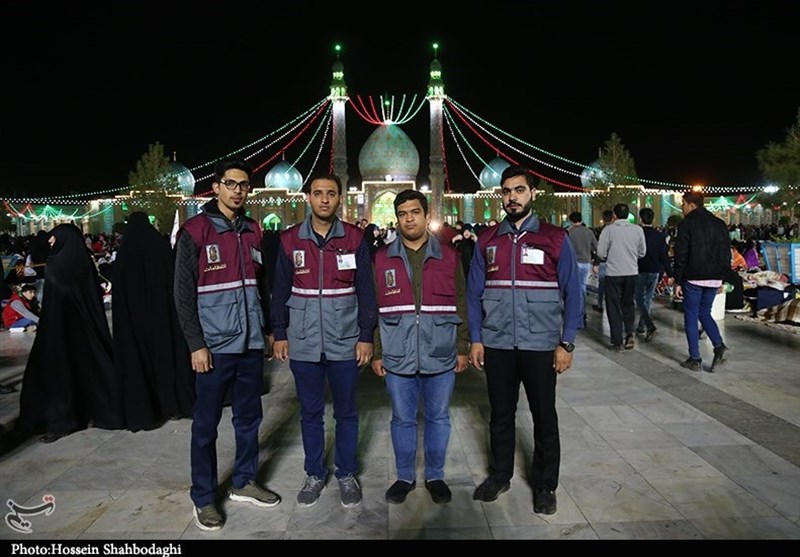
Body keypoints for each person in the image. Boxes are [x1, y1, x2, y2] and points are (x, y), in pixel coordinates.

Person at [467, 165, 582, 515]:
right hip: (498, 344)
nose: (512, 197)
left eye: (519, 190)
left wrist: (566, 342)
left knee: (544, 417)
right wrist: (476, 338)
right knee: (500, 415)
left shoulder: (554, 238)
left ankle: (545, 485)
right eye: (506, 191)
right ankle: (500, 475)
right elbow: (473, 293)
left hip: (540, 345)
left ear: (532, 193)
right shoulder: (488, 240)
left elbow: (573, 293)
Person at [174, 157, 280, 532]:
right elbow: (183, 294)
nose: (238, 191)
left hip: (250, 342)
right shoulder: (196, 231)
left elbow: (262, 285)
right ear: (216, 186)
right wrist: (196, 344)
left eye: (243, 185)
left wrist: (268, 329)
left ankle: (244, 481)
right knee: (206, 424)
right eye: (231, 184)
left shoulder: (253, 230)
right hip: (215, 346)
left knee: (249, 417)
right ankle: (204, 497)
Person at [271, 171, 377, 509]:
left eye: (330, 193)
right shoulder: (290, 240)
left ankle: (346, 473)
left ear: (339, 198)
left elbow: (366, 290)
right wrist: (280, 332)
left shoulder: (355, 238)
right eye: (318, 193)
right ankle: (314, 473)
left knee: (346, 412)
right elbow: (279, 289)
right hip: (303, 340)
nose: (324, 199)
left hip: (344, 339)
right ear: (309, 198)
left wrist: (365, 335)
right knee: (310, 412)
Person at [370, 189, 469, 505]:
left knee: (438, 417)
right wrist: (377, 351)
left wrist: (463, 345)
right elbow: (375, 307)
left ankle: (435, 476)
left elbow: (461, 301)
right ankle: (404, 477)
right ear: (396, 219)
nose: (409, 219)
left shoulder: (449, 257)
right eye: (402, 214)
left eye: (415, 212)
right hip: (397, 351)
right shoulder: (382, 258)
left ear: (427, 216)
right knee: (402, 418)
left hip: (439, 349)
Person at [17, 223, 124, 443]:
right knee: (89, 371)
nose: (50, 241)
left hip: (60, 332)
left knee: (61, 375)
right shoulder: (83, 263)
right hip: (85, 331)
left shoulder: (57, 265)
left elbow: (55, 302)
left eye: (54, 237)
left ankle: (62, 420)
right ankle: (92, 412)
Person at [113, 211, 195, 432]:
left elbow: (120, 293)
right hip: (164, 318)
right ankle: (173, 405)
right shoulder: (159, 246)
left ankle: (147, 409)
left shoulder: (126, 251)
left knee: (141, 362)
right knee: (167, 359)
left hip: (136, 322)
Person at [672, 190, 730, 372]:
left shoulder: (687, 224)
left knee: (690, 316)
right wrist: (722, 278)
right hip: (714, 278)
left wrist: (678, 281)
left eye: (683, 204)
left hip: (694, 277)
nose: (682, 208)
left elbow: (681, 254)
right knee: (705, 313)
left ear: (691, 204)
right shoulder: (719, 224)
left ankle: (695, 358)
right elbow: (726, 253)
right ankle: (719, 346)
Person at [596, 203, 646, 351]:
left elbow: (600, 252)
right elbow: (642, 252)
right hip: (631, 272)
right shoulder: (637, 230)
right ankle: (630, 334)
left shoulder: (608, 230)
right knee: (628, 304)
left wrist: (609, 256)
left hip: (613, 273)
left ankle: (617, 341)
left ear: (614, 215)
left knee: (613, 306)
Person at [635, 207, 672, 341]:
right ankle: (642, 326)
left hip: (639, 270)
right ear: (653, 219)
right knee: (648, 299)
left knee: (639, 298)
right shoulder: (660, 236)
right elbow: (664, 256)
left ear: (640, 219)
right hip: (655, 270)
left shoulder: (637, 234)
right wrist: (670, 273)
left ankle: (647, 325)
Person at [566, 211, 597, 309]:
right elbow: (596, 247)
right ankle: (583, 307)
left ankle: (576, 307)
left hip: (573, 262)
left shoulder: (569, 232)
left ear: (571, 221)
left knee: (574, 285)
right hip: (586, 262)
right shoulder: (589, 232)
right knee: (583, 285)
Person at [591, 209, 613, 312]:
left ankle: (600, 304)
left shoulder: (602, 231)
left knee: (602, 285)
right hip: (615, 262)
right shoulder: (616, 230)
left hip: (603, 261)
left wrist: (596, 263)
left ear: (603, 219)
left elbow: (599, 249)